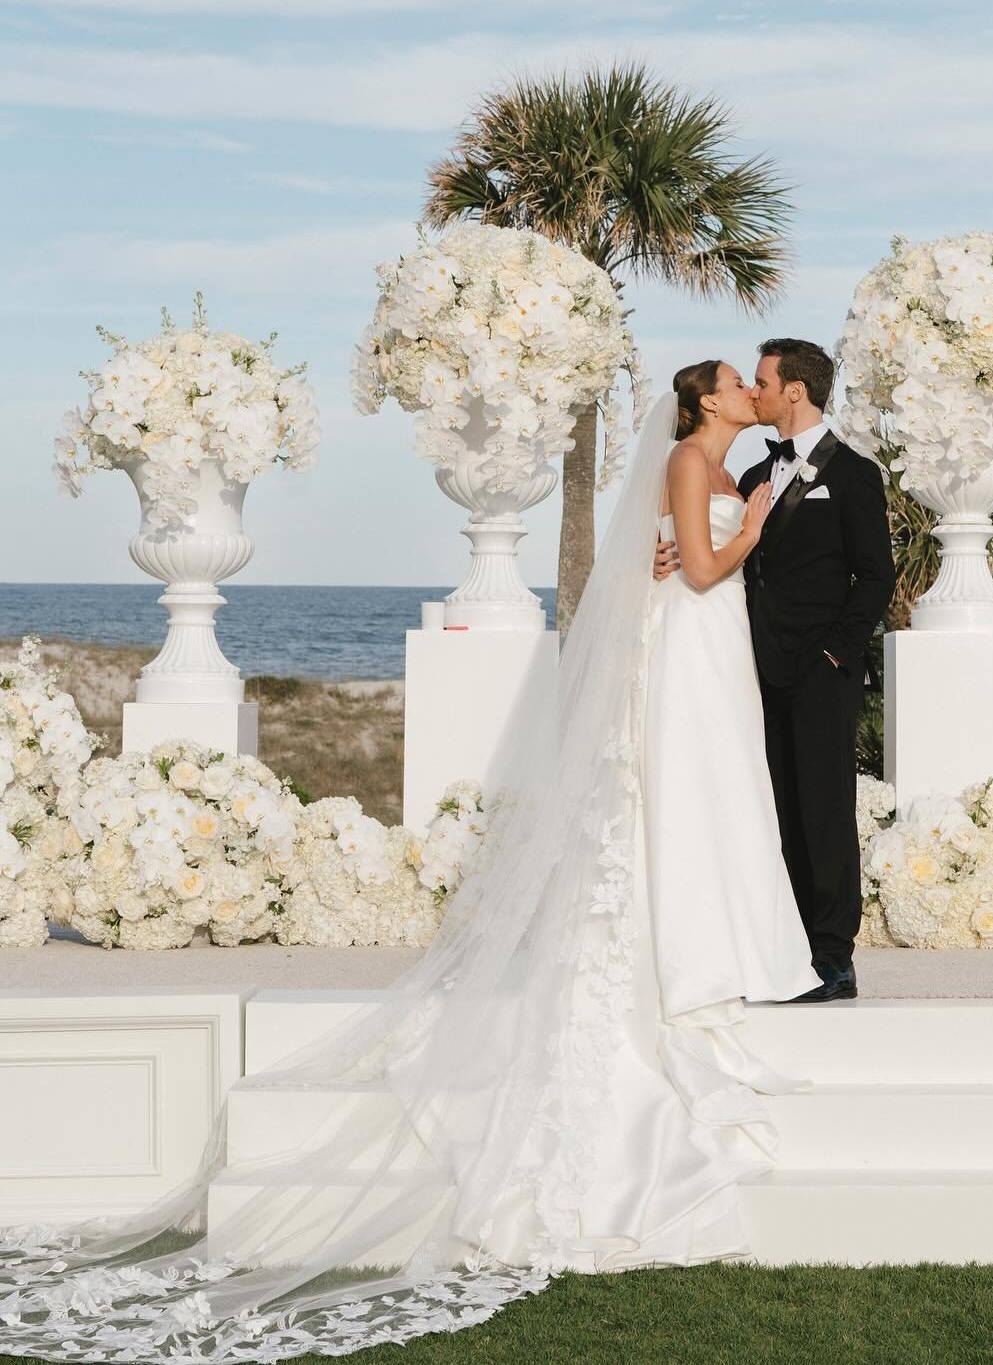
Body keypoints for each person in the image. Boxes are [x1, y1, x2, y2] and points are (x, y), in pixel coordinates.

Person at [0, 377, 831, 1362]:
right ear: (698, 408)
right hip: (697, 633)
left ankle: (721, 948)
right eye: (732, 382)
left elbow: (673, 565)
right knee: (688, 803)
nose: (747, 387)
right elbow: (697, 569)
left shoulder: (712, 459)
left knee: (710, 799)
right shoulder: (698, 461)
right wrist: (762, 522)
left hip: (705, 647)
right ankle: (696, 962)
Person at [656, 339, 895, 1001]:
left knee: (824, 808)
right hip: (746, 662)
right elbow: (716, 544)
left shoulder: (852, 473)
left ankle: (833, 955)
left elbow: (876, 575)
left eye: (760, 382)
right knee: (770, 807)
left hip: (823, 666)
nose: (754, 392)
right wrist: (658, 556)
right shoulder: (755, 472)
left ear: (794, 390)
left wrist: (838, 650)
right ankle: (779, 948)